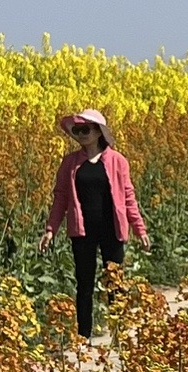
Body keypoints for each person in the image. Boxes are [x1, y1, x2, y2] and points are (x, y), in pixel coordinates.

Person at [40, 109, 150, 339]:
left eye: (85, 129)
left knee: (115, 281)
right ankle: (83, 336)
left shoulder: (118, 161)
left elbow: (129, 196)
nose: (80, 134)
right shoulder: (70, 163)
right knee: (84, 283)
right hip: (82, 230)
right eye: (77, 130)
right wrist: (51, 229)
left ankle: (118, 334)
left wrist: (139, 229)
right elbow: (60, 197)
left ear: (99, 132)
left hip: (112, 227)